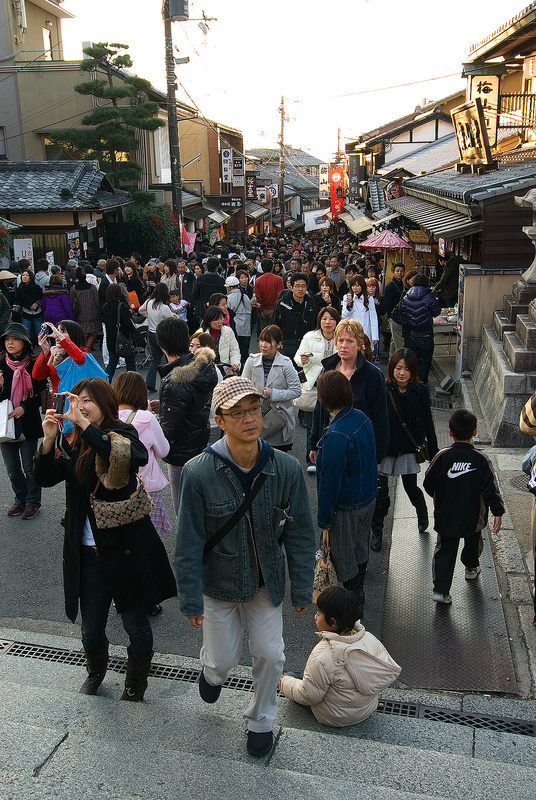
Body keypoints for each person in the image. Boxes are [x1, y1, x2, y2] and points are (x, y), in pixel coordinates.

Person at [174, 376, 316, 758]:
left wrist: (302, 587)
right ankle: (212, 672)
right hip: (217, 582)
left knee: (272, 654)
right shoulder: (198, 472)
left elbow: (302, 533)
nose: (249, 418)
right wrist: (189, 598)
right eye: (237, 412)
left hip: (266, 581)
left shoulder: (285, 468)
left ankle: (261, 720)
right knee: (223, 659)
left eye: (254, 408)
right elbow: (187, 542)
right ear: (219, 420)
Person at [34, 377, 177, 699]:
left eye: (88, 400)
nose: (81, 407)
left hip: (125, 548)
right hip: (86, 552)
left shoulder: (121, 432)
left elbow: (129, 458)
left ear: (104, 402)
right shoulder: (77, 441)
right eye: (77, 400)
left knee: (136, 625)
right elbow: (44, 478)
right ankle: (96, 672)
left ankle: (135, 683)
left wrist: (84, 425)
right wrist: (47, 440)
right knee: (91, 627)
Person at [278, 586, 401, 727]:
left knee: (292, 676)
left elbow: (308, 696)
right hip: (366, 709)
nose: (315, 616)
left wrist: (283, 683)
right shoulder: (370, 638)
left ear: (333, 622)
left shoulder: (323, 655)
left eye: (319, 613)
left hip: (334, 717)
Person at [423, 409, 504, 605]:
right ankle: (471, 568)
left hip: (446, 514)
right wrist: (498, 512)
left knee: (445, 550)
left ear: (450, 432)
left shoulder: (442, 456)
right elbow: (489, 489)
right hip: (473, 514)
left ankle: (441, 591)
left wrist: (440, 496)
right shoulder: (481, 459)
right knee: (473, 542)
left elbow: (427, 482)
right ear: (475, 432)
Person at [315, 371, 378, 619]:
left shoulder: (336, 434)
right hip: (368, 496)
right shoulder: (361, 418)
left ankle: (354, 599)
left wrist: (324, 521)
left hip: (346, 505)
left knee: (342, 554)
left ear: (324, 399)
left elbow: (328, 483)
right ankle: (358, 591)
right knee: (361, 546)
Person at [372, 349, 438, 552]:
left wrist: (435, 454)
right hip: (385, 447)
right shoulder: (383, 389)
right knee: (381, 493)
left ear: (413, 371)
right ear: (391, 368)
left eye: (407, 369)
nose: (402, 373)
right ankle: (377, 531)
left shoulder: (421, 391)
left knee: (411, 488)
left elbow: (428, 422)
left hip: (409, 447)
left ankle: (422, 513)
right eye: (398, 368)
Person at [154, 316, 218, 513]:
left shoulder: (175, 381)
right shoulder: (203, 367)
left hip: (180, 454)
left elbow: (170, 431)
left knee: (184, 512)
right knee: (201, 508)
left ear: (162, 346)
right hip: (200, 443)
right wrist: (165, 408)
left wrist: (154, 418)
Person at [309, 319, 389, 469]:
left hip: (359, 448)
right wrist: (313, 443)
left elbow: (381, 418)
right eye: (340, 340)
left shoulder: (372, 375)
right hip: (329, 443)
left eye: (350, 341)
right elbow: (319, 410)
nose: (344, 345)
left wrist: (377, 456)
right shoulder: (329, 369)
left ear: (359, 344)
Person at [114, 371, 173, 543]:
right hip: (146, 488)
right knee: (148, 539)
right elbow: (164, 451)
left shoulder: (107, 417)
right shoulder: (146, 418)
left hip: (118, 487)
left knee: (124, 537)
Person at [0, 322, 46, 519]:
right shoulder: (1, 363)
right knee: (12, 469)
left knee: (29, 467)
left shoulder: (35, 364)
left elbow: (41, 394)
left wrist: (24, 407)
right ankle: (20, 499)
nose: (10, 343)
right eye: (7, 340)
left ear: (24, 343)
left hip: (28, 421)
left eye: (15, 339)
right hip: (5, 422)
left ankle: (32, 502)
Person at [294, 307, 340, 473]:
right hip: (313, 387)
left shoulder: (341, 337)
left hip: (335, 388)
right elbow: (298, 357)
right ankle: (311, 459)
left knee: (334, 424)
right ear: (319, 320)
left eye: (331, 319)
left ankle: (330, 457)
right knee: (313, 426)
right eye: (324, 318)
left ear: (337, 321)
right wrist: (303, 359)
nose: (327, 322)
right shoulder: (310, 336)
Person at [242, 325, 301, 452]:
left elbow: (296, 390)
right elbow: (243, 386)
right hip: (255, 415)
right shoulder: (251, 361)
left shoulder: (286, 363)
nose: (263, 345)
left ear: (279, 344)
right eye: (262, 340)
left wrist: (273, 394)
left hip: (278, 419)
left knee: (277, 459)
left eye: (268, 342)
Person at [398, 274, 441, 385]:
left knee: (414, 359)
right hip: (426, 332)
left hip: (413, 332)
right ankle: (422, 383)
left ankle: (413, 381)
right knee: (426, 360)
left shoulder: (407, 294)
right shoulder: (429, 295)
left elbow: (402, 309)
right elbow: (437, 311)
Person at [271, 272, 319, 358]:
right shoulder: (281, 305)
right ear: (291, 287)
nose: (300, 289)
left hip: (307, 347)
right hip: (287, 347)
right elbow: (274, 327)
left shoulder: (312, 304)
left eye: (303, 286)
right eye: (297, 286)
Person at [138, 283, 174, 392]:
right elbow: (172, 321)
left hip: (151, 333)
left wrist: (147, 315)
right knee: (169, 359)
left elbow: (140, 310)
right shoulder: (164, 307)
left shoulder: (149, 302)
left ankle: (150, 382)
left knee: (155, 360)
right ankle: (171, 382)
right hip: (162, 334)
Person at [101, 283, 138, 383]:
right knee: (130, 363)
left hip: (111, 338)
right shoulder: (122, 306)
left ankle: (105, 383)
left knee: (112, 363)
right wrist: (135, 331)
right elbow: (128, 323)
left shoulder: (105, 307)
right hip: (124, 338)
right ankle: (132, 384)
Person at [197, 306, 240, 376]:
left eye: (221, 318)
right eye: (216, 320)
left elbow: (234, 350)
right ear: (209, 320)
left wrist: (235, 363)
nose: (220, 322)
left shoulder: (228, 331)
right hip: (206, 372)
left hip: (225, 370)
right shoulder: (200, 334)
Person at [69, 266, 100, 352]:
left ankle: (82, 350)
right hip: (92, 312)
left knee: (83, 333)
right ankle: (87, 349)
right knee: (93, 332)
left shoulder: (74, 289)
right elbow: (97, 301)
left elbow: (71, 302)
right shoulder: (93, 287)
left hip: (80, 313)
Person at [341, 275, 379, 346]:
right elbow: (344, 317)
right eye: (353, 286)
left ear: (362, 286)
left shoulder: (369, 298)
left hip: (365, 331)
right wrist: (349, 306)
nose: (355, 288)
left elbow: (373, 318)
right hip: (352, 331)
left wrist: (375, 337)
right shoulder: (347, 297)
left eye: (357, 286)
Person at [226, 275, 252, 367]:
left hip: (235, 328)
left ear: (229, 287)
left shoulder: (228, 298)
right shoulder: (245, 296)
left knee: (236, 350)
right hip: (246, 328)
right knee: (244, 350)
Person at [190, 256, 225, 320]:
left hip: (202, 310)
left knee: (203, 328)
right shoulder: (221, 280)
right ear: (216, 268)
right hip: (216, 311)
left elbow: (194, 294)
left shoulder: (200, 278)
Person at [382, 262, 406, 353]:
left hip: (398, 316)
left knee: (394, 340)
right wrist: (392, 315)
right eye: (397, 271)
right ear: (393, 272)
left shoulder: (402, 284)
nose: (399, 273)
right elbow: (387, 303)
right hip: (394, 317)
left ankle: (391, 360)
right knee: (399, 341)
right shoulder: (390, 286)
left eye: (402, 271)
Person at [254, 259, 284, 330]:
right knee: (275, 331)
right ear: (272, 267)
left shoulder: (258, 280)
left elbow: (257, 297)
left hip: (263, 309)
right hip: (274, 309)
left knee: (265, 332)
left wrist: (260, 310)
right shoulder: (278, 279)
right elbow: (280, 296)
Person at [14, 269, 43, 343]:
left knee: (39, 333)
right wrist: (16, 307)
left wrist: (37, 304)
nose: (24, 277)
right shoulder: (20, 289)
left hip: (37, 313)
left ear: (31, 277)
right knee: (26, 334)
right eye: (23, 275)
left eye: (27, 275)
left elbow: (41, 298)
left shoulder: (37, 288)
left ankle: (42, 350)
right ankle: (29, 351)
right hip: (26, 313)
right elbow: (18, 301)